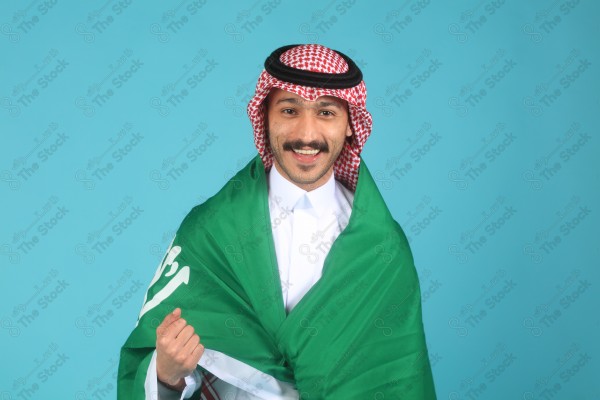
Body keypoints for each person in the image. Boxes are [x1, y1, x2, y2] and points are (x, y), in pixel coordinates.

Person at [118, 44, 437, 399]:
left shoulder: (382, 247)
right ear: (264, 117)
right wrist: (167, 375)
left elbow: (398, 377)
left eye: (326, 113)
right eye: (289, 110)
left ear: (350, 125)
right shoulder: (210, 230)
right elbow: (158, 362)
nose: (307, 133)